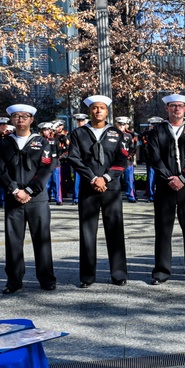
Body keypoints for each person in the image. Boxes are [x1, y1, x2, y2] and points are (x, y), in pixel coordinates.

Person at [0, 103, 57, 292]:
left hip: (37, 199)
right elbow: (0, 170)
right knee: (13, 242)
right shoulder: (4, 143)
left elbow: (46, 168)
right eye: (16, 116)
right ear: (11, 119)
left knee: (42, 240)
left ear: (32, 119)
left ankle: (47, 279)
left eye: (24, 116)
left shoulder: (42, 142)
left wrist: (29, 190)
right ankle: (13, 281)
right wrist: (14, 190)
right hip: (13, 199)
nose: (20, 120)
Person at [67, 95, 131, 287]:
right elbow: (74, 158)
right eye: (94, 108)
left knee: (115, 231)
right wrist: (94, 178)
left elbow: (122, 161)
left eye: (102, 108)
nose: (98, 111)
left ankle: (118, 274)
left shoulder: (116, 133)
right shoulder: (78, 133)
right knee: (87, 232)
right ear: (89, 111)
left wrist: (107, 177)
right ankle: (87, 276)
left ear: (107, 111)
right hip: (89, 187)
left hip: (111, 188)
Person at [145, 94, 185, 284]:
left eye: (180, 106)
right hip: (165, 187)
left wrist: (182, 178)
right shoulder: (157, 131)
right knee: (163, 231)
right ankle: (162, 272)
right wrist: (169, 178)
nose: (177, 109)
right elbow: (154, 158)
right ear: (167, 108)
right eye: (173, 106)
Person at [115, 116, 139, 203]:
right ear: (116, 124)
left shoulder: (130, 135)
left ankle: (131, 196)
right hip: (116, 162)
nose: (121, 126)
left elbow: (134, 147)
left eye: (123, 124)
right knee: (115, 180)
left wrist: (130, 155)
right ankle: (115, 197)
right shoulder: (113, 134)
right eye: (120, 124)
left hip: (127, 161)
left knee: (129, 180)